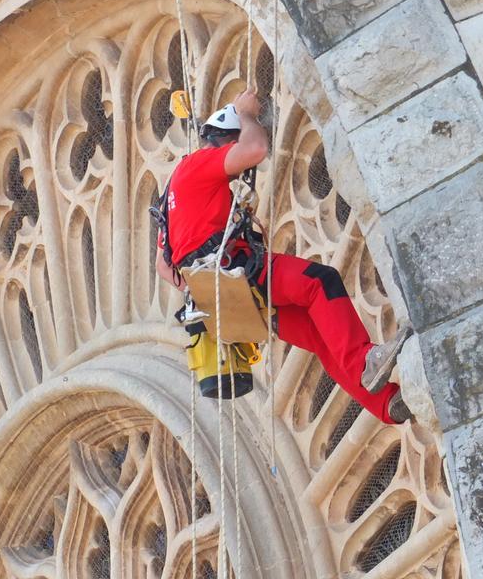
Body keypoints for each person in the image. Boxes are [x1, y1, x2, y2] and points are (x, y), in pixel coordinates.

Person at [154, 89, 411, 424]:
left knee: (322, 337)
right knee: (322, 282)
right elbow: (255, 149)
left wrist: (204, 281)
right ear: (223, 141)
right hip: (241, 273)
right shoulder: (198, 164)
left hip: (233, 301)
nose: (234, 174)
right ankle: (364, 363)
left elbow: (163, 266)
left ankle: (386, 405)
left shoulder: (169, 200)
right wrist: (246, 115)